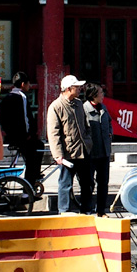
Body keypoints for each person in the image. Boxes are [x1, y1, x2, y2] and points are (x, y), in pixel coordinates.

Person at [47, 74, 92, 214]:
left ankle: (86, 210)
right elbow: (53, 133)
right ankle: (64, 212)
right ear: (68, 89)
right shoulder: (56, 106)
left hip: (83, 150)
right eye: (76, 87)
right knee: (65, 184)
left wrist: (88, 141)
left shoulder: (79, 104)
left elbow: (86, 125)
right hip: (67, 153)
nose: (79, 89)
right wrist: (58, 155)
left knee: (87, 183)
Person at [0, 71, 43, 189]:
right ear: (23, 84)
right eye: (28, 84)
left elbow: (2, 118)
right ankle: (28, 187)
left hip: (11, 136)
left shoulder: (7, 97)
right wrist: (28, 134)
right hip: (22, 138)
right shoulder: (21, 97)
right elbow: (25, 119)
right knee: (35, 154)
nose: (29, 86)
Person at [83, 82, 112, 216]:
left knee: (103, 183)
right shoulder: (83, 110)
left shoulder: (104, 108)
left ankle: (101, 210)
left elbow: (109, 123)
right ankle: (87, 210)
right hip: (91, 153)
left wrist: (109, 134)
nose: (102, 95)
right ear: (93, 95)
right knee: (88, 184)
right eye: (100, 93)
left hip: (104, 152)